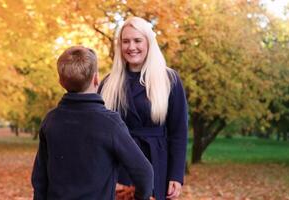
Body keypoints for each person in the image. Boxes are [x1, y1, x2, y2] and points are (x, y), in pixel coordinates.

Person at [31, 46, 154, 200]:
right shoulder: (110, 123)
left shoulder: (51, 120)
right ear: (96, 79)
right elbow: (144, 172)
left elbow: (40, 177)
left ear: (61, 82)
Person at [98, 17, 188, 200]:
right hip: (119, 167)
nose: (131, 47)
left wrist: (176, 175)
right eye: (126, 41)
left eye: (137, 40)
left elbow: (179, 132)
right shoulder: (108, 83)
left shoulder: (169, 80)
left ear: (148, 42)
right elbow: (99, 134)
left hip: (157, 164)